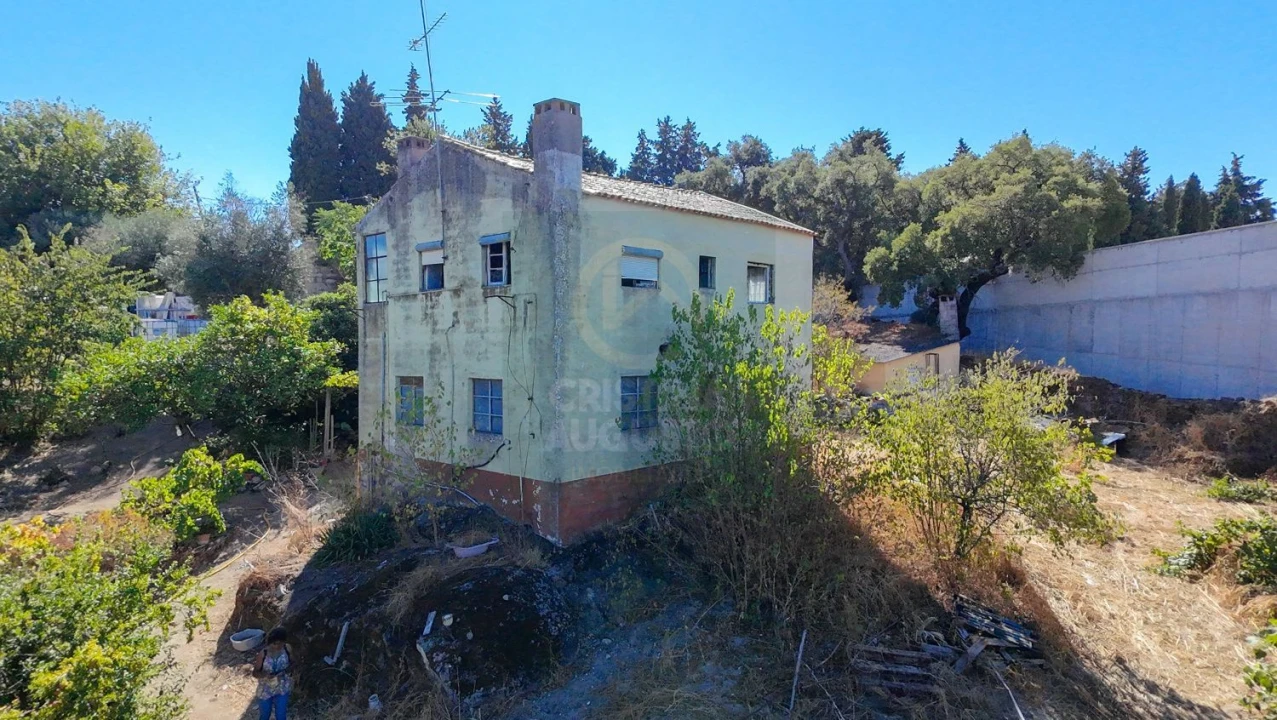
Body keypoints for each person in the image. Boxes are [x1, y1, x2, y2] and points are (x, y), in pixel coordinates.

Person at [252, 627, 293, 720]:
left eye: (280, 643)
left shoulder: (287, 649)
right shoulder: (263, 654)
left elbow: (293, 663)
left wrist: (287, 670)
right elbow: (255, 673)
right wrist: (264, 675)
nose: (277, 646)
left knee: (281, 715)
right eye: (275, 644)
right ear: (270, 642)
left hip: (282, 687)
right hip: (265, 689)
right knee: (265, 715)